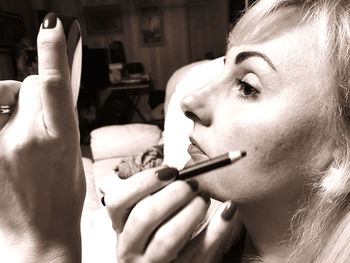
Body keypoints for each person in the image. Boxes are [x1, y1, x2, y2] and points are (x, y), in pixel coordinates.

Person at [1, 1, 350, 263]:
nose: (190, 101)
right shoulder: (191, 245)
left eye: (246, 86)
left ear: (342, 151)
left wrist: (41, 246)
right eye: (223, 68)